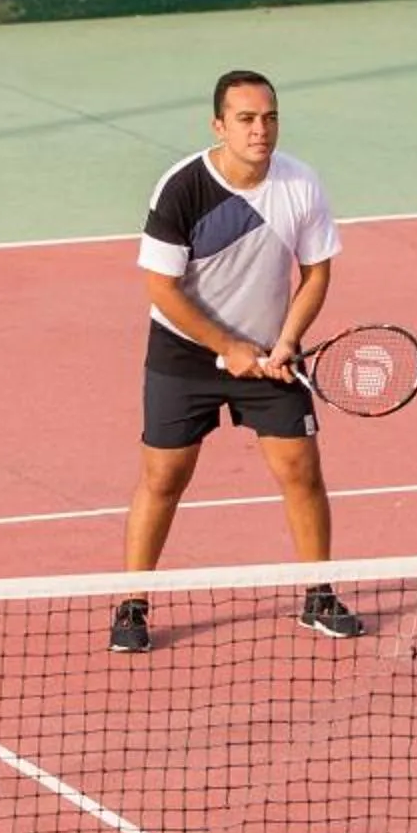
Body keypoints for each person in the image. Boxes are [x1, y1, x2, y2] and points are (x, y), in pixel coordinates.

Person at [109, 69, 362, 654]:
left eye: (270, 117)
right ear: (218, 126)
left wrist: (286, 341)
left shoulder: (300, 183)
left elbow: (317, 271)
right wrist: (227, 348)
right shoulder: (182, 188)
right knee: (163, 477)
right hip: (184, 351)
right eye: (246, 119)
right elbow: (162, 288)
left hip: (269, 350)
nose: (261, 130)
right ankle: (133, 602)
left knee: (300, 470)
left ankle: (317, 593)